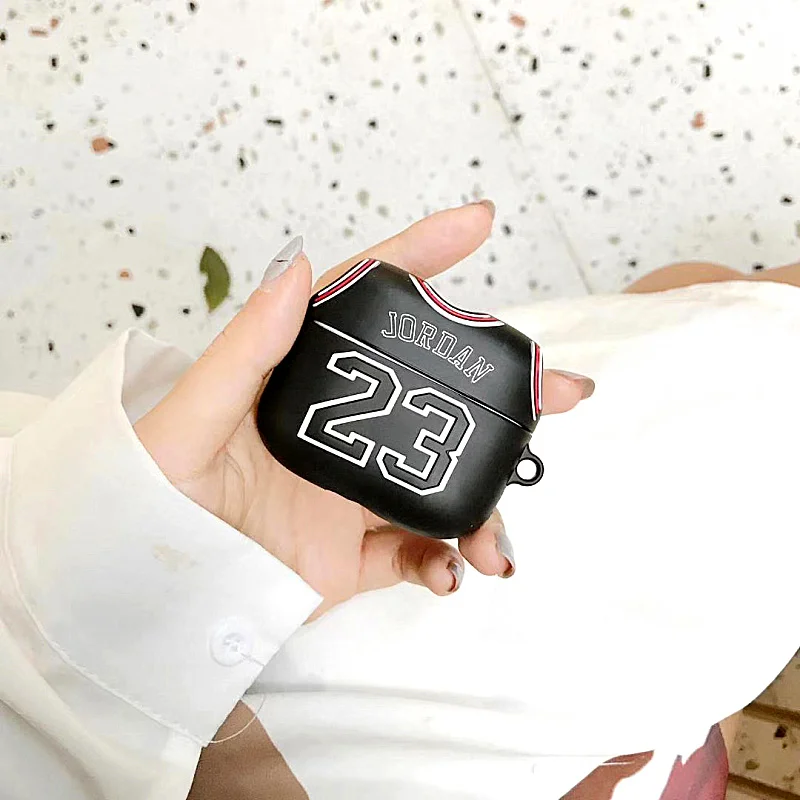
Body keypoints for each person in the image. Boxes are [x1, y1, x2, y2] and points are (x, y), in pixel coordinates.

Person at [1, 201, 797, 800]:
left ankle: (704, 298)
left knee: (736, 355)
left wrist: (152, 565)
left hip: (131, 635)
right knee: (739, 360)